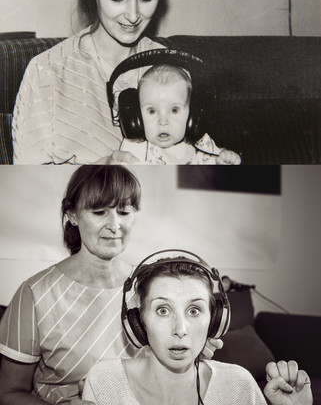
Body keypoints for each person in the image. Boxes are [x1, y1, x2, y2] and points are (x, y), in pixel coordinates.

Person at [0, 167, 221, 405]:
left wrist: (188, 357)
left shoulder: (151, 287)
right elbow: (8, 393)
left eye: (124, 211)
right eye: (99, 212)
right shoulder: (33, 294)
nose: (115, 225)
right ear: (73, 215)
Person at [12, 0, 170, 165]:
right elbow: (28, 189)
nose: (133, 15)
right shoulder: (46, 73)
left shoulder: (170, 66)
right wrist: (99, 172)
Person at [83, 251, 313, 405]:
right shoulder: (104, 382)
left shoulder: (238, 386)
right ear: (138, 321)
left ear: (214, 321)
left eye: (194, 311)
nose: (180, 329)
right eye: (163, 310)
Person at [119, 64, 241, 164]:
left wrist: (223, 159)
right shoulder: (134, 149)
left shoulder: (201, 143)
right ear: (137, 116)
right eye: (151, 111)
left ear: (192, 114)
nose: (163, 121)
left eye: (174, 110)